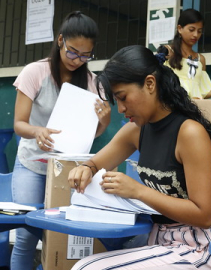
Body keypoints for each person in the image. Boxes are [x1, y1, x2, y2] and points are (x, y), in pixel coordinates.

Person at [67, 44, 211, 270]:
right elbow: (96, 163)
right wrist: (85, 168)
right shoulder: (135, 130)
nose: (121, 109)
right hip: (160, 243)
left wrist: (139, 191)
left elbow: (204, 215)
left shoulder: (189, 133)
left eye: (123, 98)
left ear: (150, 84)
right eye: (117, 101)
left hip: (201, 248)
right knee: (84, 266)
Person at [10, 11, 110, 270]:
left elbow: (91, 135)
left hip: (68, 170)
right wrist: (37, 132)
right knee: (25, 234)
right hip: (32, 164)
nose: (78, 60)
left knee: (64, 234)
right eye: (73, 52)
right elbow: (19, 124)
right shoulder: (35, 72)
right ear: (60, 41)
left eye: (86, 55)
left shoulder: (92, 83)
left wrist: (104, 121)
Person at [161, 8, 211, 99]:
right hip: (173, 107)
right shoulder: (168, 51)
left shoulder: (201, 59)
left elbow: (202, 90)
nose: (196, 35)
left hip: (194, 108)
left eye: (199, 31)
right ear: (180, 29)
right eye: (191, 30)